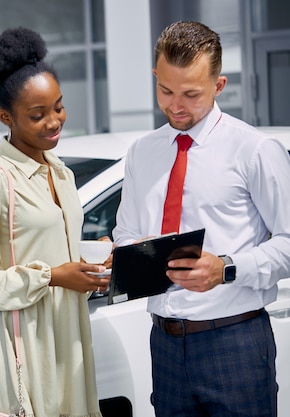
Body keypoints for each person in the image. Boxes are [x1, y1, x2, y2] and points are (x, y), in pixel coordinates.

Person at [112, 20, 290, 416]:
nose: (176, 105)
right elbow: (126, 230)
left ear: (219, 86)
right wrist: (130, 258)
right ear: (156, 76)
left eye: (191, 94)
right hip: (164, 343)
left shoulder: (256, 150)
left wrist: (226, 268)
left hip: (236, 342)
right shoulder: (142, 151)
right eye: (165, 90)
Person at [0, 27, 106, 417]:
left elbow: (55, 249)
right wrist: (51, 277)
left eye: (58, 106)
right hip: (16, 345)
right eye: (38, 115)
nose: (54, 121)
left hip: (65, 334)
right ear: (6, 117)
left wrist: (102, 256)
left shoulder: (61, 172)